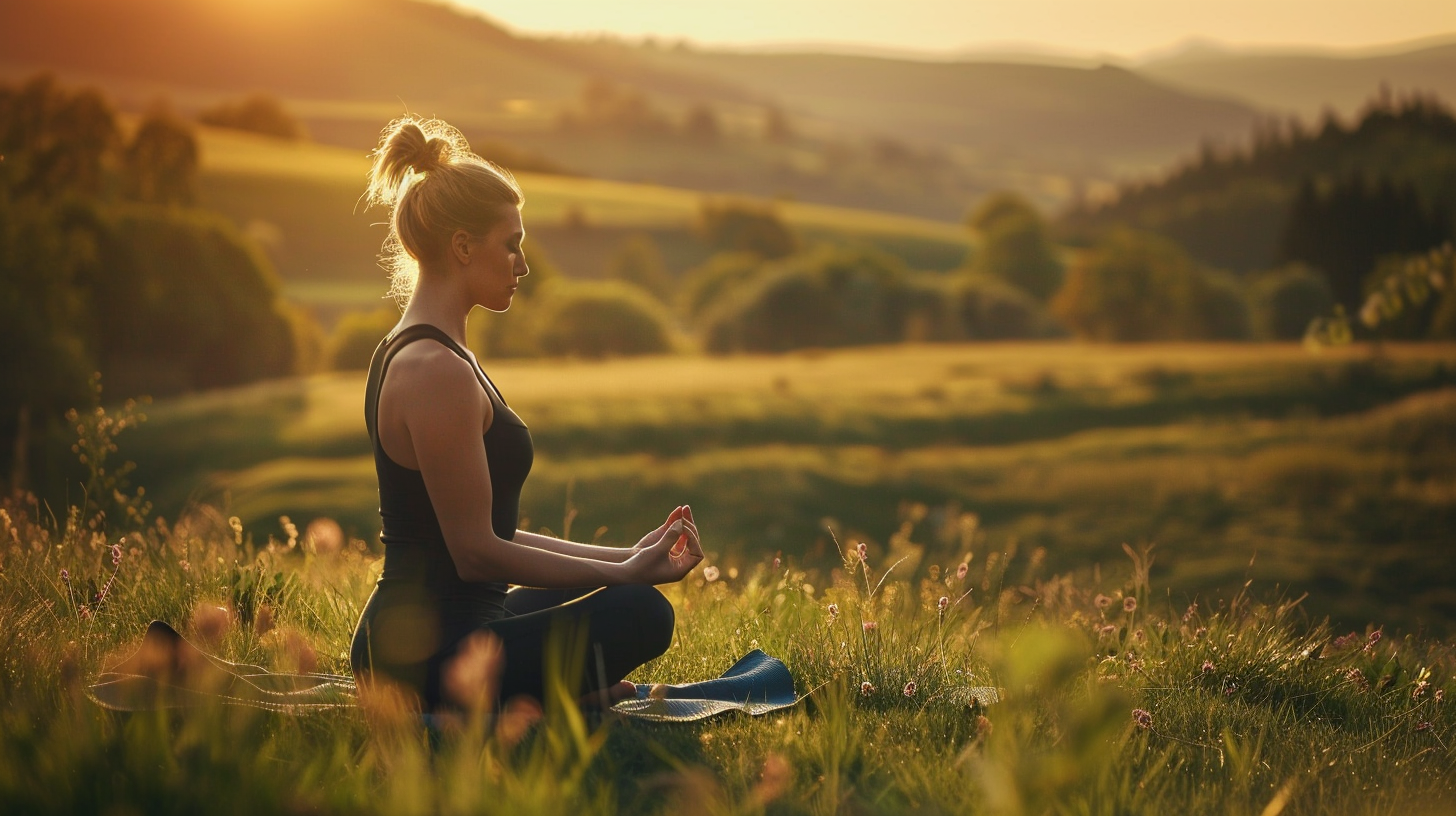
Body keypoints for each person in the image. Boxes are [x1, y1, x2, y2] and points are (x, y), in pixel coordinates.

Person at [348, 117, 702, 713]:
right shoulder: (434, 370)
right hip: (423, 657)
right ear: (462, 246)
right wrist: (628, 578)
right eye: (510, 243)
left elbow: (490, 534)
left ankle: (561, 690)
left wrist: (627, 558)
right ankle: (560, 694)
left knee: (624, 595)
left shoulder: (432, 352)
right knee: (639, 612)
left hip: (460, 626)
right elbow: (476, 552)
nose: (522, 263)